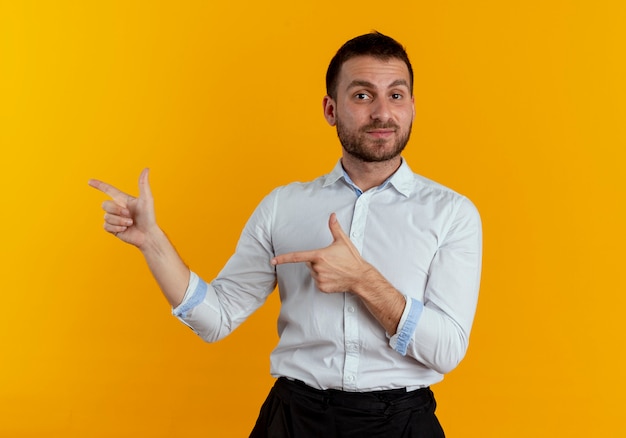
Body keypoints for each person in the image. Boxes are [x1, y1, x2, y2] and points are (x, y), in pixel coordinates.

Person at [89, 32, 482, 437]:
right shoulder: (284, 206)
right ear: (331, 109)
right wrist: (152, 241)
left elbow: (446, 350)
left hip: (401, 422)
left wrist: (363, 280)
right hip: (294, 420)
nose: (383, 112)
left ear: (413, 106)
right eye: (363, 96)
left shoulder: (452, 214)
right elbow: (216, 318)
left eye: (396, 96)